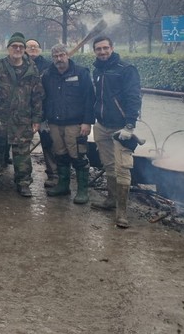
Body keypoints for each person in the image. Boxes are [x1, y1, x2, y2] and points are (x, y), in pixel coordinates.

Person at [90, 35, 142, 228]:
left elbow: (134, 97)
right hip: (102, 125)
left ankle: (122, 212)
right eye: (98, 49)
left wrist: (130, 125)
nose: (102, 52)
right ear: (94, 51)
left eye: (105, 48)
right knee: (108, 164)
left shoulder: (126, 69)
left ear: (112, 48)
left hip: (121, 127)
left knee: (123, 168)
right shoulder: (97, 70)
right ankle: (111, 200)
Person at [0, 32, 44, 197]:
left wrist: (36, 118)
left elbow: (37, 95)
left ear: (24, 49)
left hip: (22, 119)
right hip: (0, 117)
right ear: (8, 48)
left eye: (20, 47)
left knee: (22, 153)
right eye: (14, 46)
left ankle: (23, 183)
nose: (17, 49)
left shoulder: (32, 68)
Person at [42, 44, 95, 204]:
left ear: (68, 55)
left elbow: (89, 99)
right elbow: (43, 99)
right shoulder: (47, 75)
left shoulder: (81, 73)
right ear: (52, 58)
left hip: (75, 124)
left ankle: (82, 191)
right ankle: (63, 185)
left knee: (78, 156)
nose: (59, 59)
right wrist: (43, 120)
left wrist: (87, 121)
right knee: (60, 155)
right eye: (56, 56)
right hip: (54, 123)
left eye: (62, 55)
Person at [26, 38, 56, 187]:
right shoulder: (20, 64)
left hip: (44, 112)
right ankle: (23, 176)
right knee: (23, 144)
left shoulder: (48, 66)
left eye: (35, 46)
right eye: (29, 46)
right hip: (24, 112)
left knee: (48, 143)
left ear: (39, 49)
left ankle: (53, 174)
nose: (32, 48)